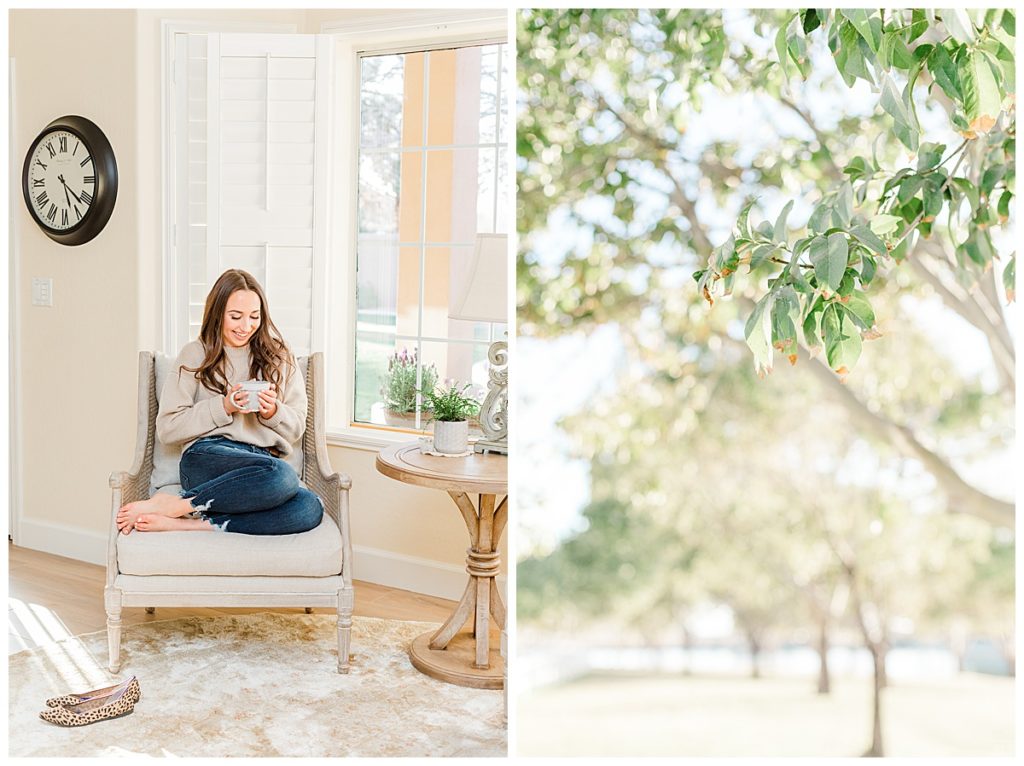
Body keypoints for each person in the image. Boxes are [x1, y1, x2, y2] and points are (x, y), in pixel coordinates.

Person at [116, 269, 323, 535]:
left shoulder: (280, 356)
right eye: (236, 317)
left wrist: (272, 411)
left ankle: (187, 519)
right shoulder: (194, 355)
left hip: (261, 464)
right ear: (218, 313)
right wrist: (223, 407)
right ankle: (182, 503)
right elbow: (167, 428)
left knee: (308, 507)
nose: (246, 326)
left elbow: (297, 428)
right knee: (282, 476)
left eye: (254, 317)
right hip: (207, 458)